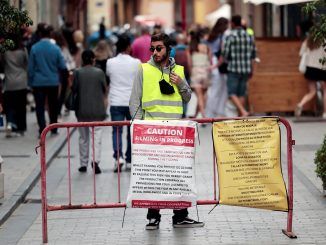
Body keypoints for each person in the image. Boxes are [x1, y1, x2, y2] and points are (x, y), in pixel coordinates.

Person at [129, 33, 204, 230]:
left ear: (168, 49)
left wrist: (180, 83)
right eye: (152, 48)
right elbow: (135, 102)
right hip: (151, 133)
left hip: (175, 133)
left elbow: (187, 97)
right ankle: (153, 216)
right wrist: (137, 128)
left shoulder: (178, 70)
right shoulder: (143, 70)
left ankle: (180, 216)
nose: (154, 52)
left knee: (177, 175)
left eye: (159, 48)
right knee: (154, 176)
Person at [106, 34, 141, 172]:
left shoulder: (110, 62)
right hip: (132, 101)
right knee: (131, 131)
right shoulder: (136, 62)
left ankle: (118, 158)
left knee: (116, 130)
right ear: (128, 47)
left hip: (116, 101)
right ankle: (130, 159)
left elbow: (109, 76)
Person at [28, 24, 67, 136]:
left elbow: (31, 68)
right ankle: (53, 128)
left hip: (38, 82)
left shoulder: (35, 48)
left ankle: (42, 128)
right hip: (52, 81)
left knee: (39, 106)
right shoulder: (56, 48)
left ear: (39, 34)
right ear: (50, 34)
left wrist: (30, 82)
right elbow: (62, 66)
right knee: (53, 105)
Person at [73, 50, 108, 174]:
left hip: (82, 109)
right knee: (96, 137)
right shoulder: (99, 73)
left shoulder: (77, 73)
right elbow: (105, 90)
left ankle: (83, 163)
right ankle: (95, 161)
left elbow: (74, 90)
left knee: (83, 138)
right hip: (97, 110)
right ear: (93, 59)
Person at [222, 15, 256, 117]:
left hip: (233, 68)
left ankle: (242, 111)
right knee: (241, 93)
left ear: (232, 23)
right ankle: (240, 115)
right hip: (246, 69)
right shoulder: (249, 36)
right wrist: (252, 69)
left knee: (232, 93)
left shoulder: (230, 36)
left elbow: (225, 54)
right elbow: (253, 55)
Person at [1, 34, 28, 137]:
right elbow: (26, 64)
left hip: (9, 82)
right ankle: (21, 129)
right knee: (21, 106)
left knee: (9, 106)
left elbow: (3, 64)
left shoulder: (5, 53)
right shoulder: (23, 51)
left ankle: (10, 124)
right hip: (21, 81)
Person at [295, 33, 326, 118]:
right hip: (322, 68)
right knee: (325, 91)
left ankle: (300, 104)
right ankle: (325, 113)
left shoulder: (307, 41)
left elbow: (301, 54)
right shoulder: (324, 41)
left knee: (312, 91)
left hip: (310, 69)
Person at [206, 17, 229, 118]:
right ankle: (216, 112)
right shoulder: (223, 36)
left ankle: (211, 113)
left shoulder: (212, 36)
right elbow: (223, 53)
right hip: (220, 64)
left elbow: (209, 52)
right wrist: (216, 65)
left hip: (213, 62)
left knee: (215, 90)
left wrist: (211, 64)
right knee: (222, 89)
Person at [189, 30, 212, 118]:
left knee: (199, 95)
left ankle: (203, 115)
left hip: (196, 71)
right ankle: (195, 115)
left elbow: (190, 63)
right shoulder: (206, 47)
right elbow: (210, 60)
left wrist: (191, 74)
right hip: (205, 71)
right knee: (203, 95)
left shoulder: (191, 48)